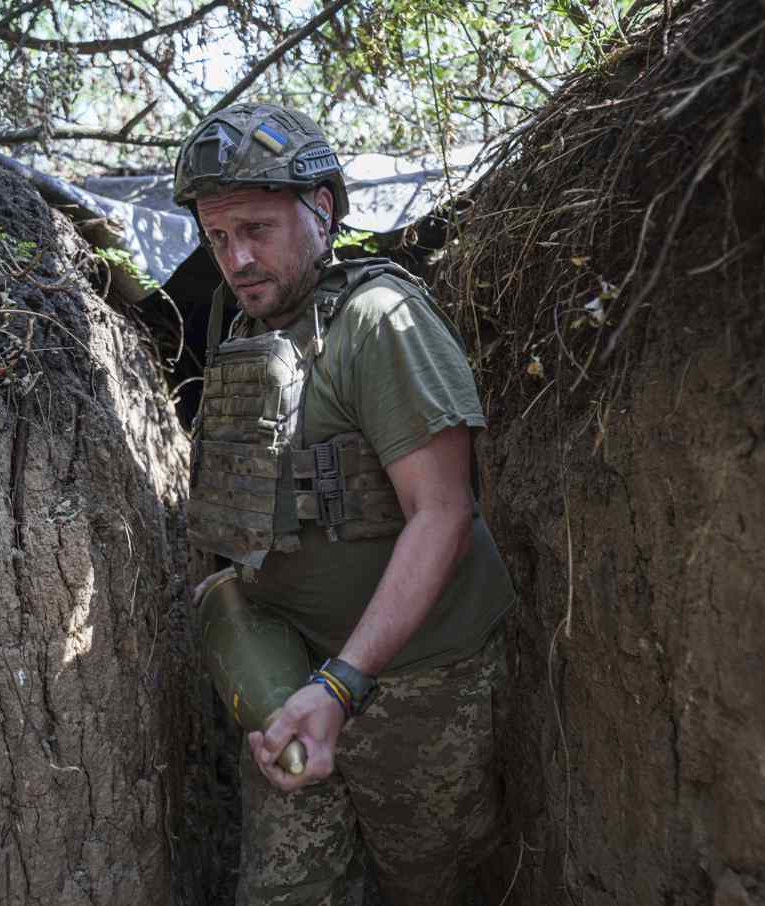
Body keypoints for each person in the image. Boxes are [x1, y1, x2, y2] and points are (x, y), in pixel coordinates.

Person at [175, 102, 514, 906]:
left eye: (256, 227)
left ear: (321, 209)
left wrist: (340, 687)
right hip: (290, 680)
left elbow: (443, 513)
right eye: (218, 237)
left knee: (425, 885)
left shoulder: (381, 322)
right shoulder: (247, 329)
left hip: (420, 689)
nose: (237, 257)